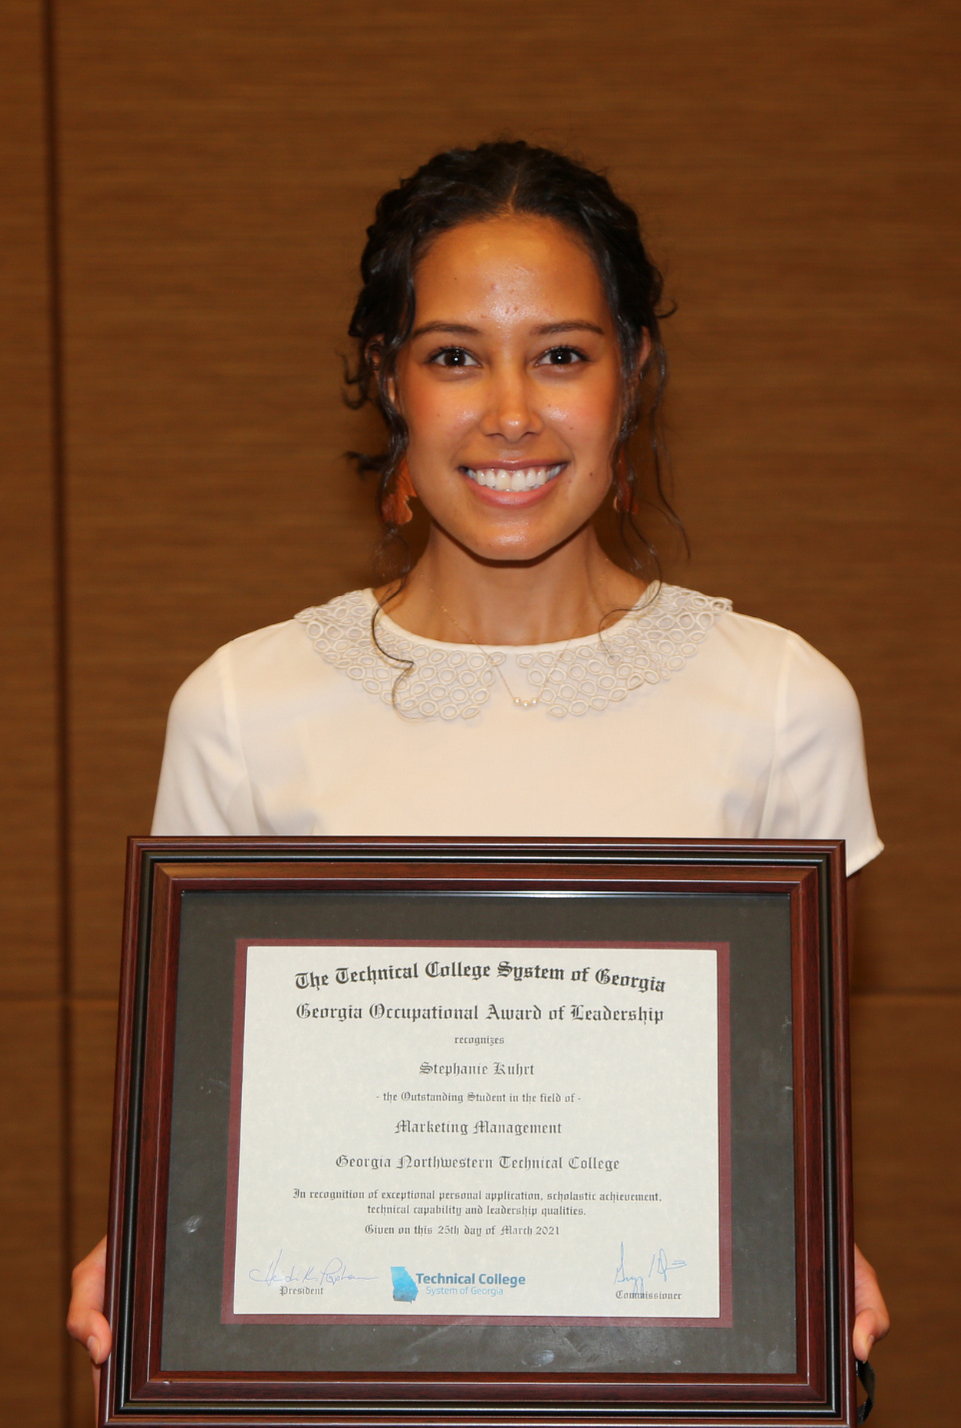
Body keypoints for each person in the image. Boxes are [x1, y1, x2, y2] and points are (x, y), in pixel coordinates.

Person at [64, 140, 889, 1371]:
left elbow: (773, 1115)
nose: (510, 412)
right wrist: (163, 1240)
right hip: (338, 1369)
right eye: (453, 356)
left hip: (662, 1368)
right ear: (387, 381)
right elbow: (216, 1111)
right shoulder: (242, 703)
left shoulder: (780, 700)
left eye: (561, 354)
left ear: (634, 371)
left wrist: (805, 1238)